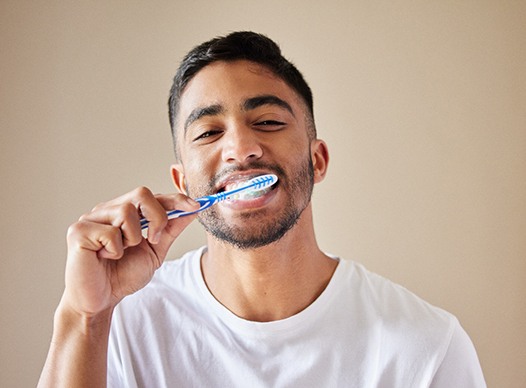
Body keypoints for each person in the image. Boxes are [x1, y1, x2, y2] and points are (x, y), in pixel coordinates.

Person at [38, 31, 486, 387]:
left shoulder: (427, 349)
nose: (240, 148)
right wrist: (85, 318)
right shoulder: (120, 325)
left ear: (317, 160)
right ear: (182, 183)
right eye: (209, 133)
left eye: (268, 122)